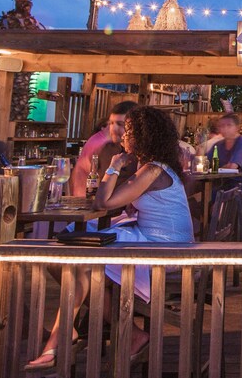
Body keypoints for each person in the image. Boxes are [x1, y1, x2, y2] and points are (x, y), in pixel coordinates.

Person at [25, 106, 193, 371]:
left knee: (78, 257)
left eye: (128, 131)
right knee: (74, 253)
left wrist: (113, 167)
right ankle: (107, 332)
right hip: (157, 237)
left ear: (143, 136)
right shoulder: (154, 166)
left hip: (163, 247)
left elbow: (104, 200)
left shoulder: (152, 170)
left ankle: (64, 334)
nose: (123, 136)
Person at [69, 101, 138, 196]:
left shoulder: (144, 154)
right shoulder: (107, 150)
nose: (113, 128)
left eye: (120, 124)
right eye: (111, 123)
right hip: (100, 206)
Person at [214, 113, 242, 190]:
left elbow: (232, 167)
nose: (225, 129)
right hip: (226, 186)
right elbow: (205, 162)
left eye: (229, 125)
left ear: (237, 127)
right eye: (222, 126)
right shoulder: (219, 145)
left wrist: (217, 168)